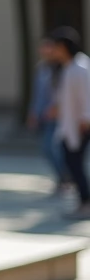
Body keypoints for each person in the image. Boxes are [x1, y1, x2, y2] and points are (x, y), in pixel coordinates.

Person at [50, 27, 90, 220]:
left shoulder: (80, 67)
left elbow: (87, 96)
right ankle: (83, 200)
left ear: (64, 47)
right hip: (69, 124)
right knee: (71, 163)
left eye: (55, 47)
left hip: (80, 125)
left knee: (75, 163)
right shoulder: (69, 67)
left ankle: (86, 201)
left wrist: (86, 119)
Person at [27, 37, 69, 195]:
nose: (45, 51)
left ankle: (66, 178)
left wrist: (57, 108)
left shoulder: (62, 68)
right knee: (48, 148)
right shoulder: (42, 69)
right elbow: (38, 94)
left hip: (59, 116)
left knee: (53, 148)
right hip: (45, 115)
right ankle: (63, 177)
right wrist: (33, 112)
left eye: (48, 47)